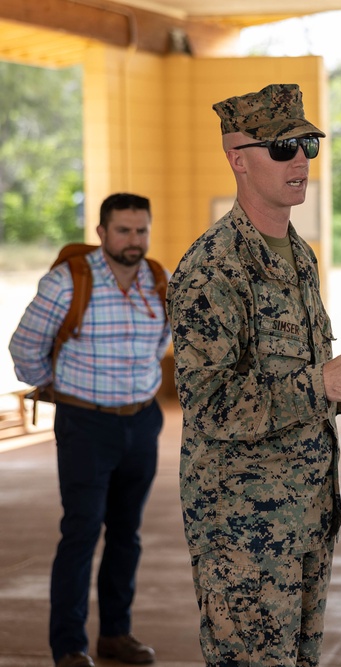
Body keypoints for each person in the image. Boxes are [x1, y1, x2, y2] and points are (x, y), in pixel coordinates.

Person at [167, 83, 341, 666]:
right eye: (282, 148)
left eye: (306, 144)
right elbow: (209, 404)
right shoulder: (212, 269)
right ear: (238, 159)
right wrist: (320, 385)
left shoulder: (298, 256)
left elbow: (296, 378)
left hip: (305, 513)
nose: (299, 159)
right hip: (243, 529)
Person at [9, 193, 170, 667]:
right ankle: (70, 647)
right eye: (123, 230)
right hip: (85, 424)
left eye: (141, 230)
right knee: (80, 532)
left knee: (127, 533)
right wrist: (57, 386)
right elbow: (25, 349)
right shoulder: (68, 282)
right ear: (101, 233)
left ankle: (116, 635)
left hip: (142, 422)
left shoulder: (159, 281)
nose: (133, 241)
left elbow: (163, 341)